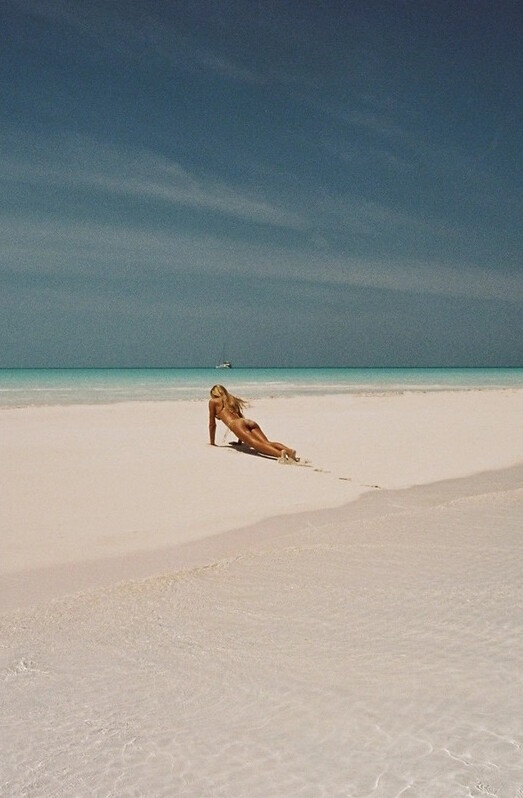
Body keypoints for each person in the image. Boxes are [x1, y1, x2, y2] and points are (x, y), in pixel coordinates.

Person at [208, 384, 299, 462]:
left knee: (255, 443)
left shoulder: (213, 401)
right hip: (248, 422)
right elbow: (240, 418)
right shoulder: (231, 399)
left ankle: (280, 454)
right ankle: (289, 451)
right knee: (266, 442)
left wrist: (212, 442)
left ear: (214, 394)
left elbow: (212, 424)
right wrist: (240, 440)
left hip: (236, 424)